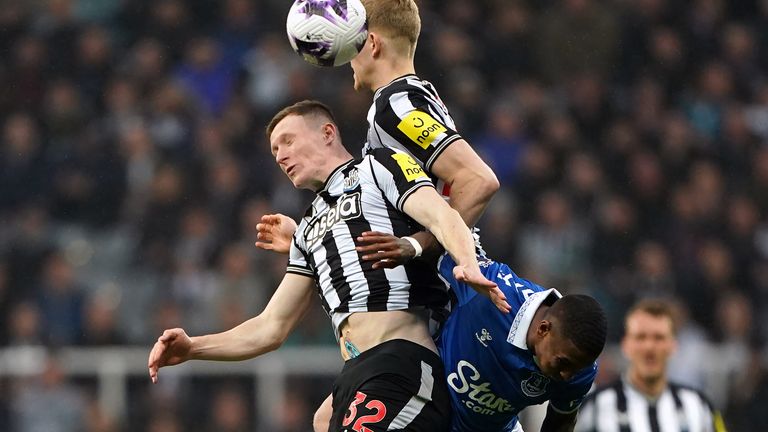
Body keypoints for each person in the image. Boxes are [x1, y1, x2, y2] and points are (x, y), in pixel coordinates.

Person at [147, 100, 509, 432]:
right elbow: (269, 328)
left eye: (287, 141)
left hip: (401, 362)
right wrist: (194, 347)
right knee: (321, 419)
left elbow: (442, 216)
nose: (280, 155)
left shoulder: (378, 165)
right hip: (354, 376)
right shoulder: (306, 231)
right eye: (274, 150)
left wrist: (468, 263)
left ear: (327, 133)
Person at [258, 223, 608, 432]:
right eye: (562, 363)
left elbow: (560, 423)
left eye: (573, 368)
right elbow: (441, 240)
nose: (565, 375)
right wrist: (311, 245)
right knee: (325, 420)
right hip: (426, 398)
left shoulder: (578, 367)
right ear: (544, 329)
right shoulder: (488, 293)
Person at [574, 299, 728, 432]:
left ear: (673, 346)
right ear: (626, 345)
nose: (649, 347)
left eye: (659, 338)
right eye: (641, 337)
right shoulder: (595, 406)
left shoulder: (699, 406)